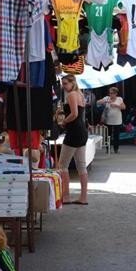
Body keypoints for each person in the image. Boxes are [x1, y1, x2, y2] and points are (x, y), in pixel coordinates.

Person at [58, 74, 89, 205]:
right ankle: (83, 197)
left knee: (62, 165)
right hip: (82, 131)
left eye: (65, 84)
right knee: (81, 166)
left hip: (74, 132)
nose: (63, 86)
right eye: (62, 84)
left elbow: (74, 114)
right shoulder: (80, 94)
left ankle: (66, 196)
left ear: (72, 83)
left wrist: (64, 121)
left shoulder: (71, 95)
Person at [97, 86, 126, 154]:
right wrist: (105, 101)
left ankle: (116, 148)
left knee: (116, 135)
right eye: (110, 93)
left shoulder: (119, 99)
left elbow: (124, 107)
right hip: (108, 120)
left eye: (112, 93)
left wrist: (116, 105)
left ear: (116, 93)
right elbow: (97, 102)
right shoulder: (107, 98)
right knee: (108, 135)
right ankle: (108, 149)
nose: (111, 94)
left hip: (117, 120)